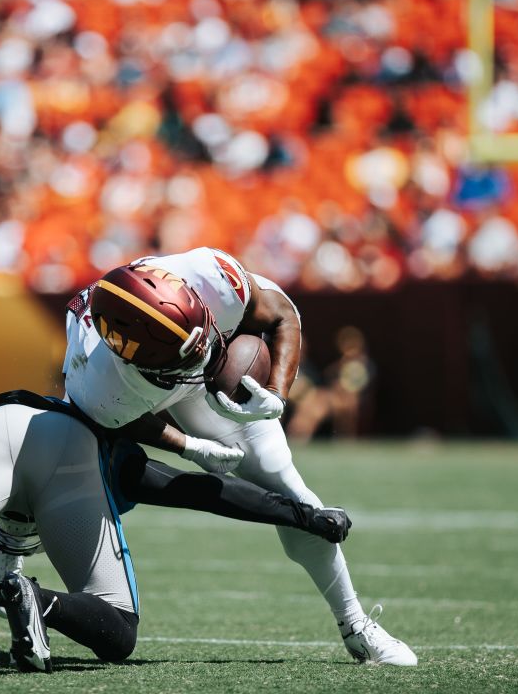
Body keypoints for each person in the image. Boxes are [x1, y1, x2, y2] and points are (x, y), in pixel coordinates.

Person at [21, 248, 416, 666]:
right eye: (184, 355)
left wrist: (277, 397)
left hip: (179, 381)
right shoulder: (96, 378)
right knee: (82, 484)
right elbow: (125, 421)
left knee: (287, 484)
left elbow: (282, 314)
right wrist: (189, 445)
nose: (200, 358)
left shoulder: (212, 277)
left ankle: (354, 624)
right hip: (135, 396)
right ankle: (10, 539)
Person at [0, 390, 353, 665]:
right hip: (72, 454)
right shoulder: (114, 453)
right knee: (119, 632)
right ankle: (38, 600)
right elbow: (206, 492)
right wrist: (303, 513)